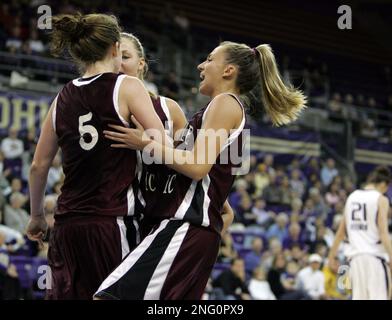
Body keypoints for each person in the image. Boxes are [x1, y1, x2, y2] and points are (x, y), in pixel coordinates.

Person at [95, 41, 306, 299]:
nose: (200, 65)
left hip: (186, 226)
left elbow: (196, 167)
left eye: (208, 59)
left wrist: (144, 142)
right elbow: (221, 202)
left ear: (228, 71)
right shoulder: (221, 110)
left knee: (109, 296)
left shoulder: (225, 103)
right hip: (196, 232)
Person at [26, 13, 167, 300]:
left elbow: (38, 166)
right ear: (114, 48)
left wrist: (37, 216)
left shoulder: (62, 96)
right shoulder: (127, 86)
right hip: (111, 221)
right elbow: (161, 142)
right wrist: (141, 140)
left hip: (65, 225)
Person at [328, 166, 392, 300]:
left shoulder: (352, 197)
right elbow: (383, 233)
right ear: (382, 184)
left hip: (355, 260)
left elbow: (341, 232)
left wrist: (331, 256)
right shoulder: (381, 199)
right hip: (375, 259)